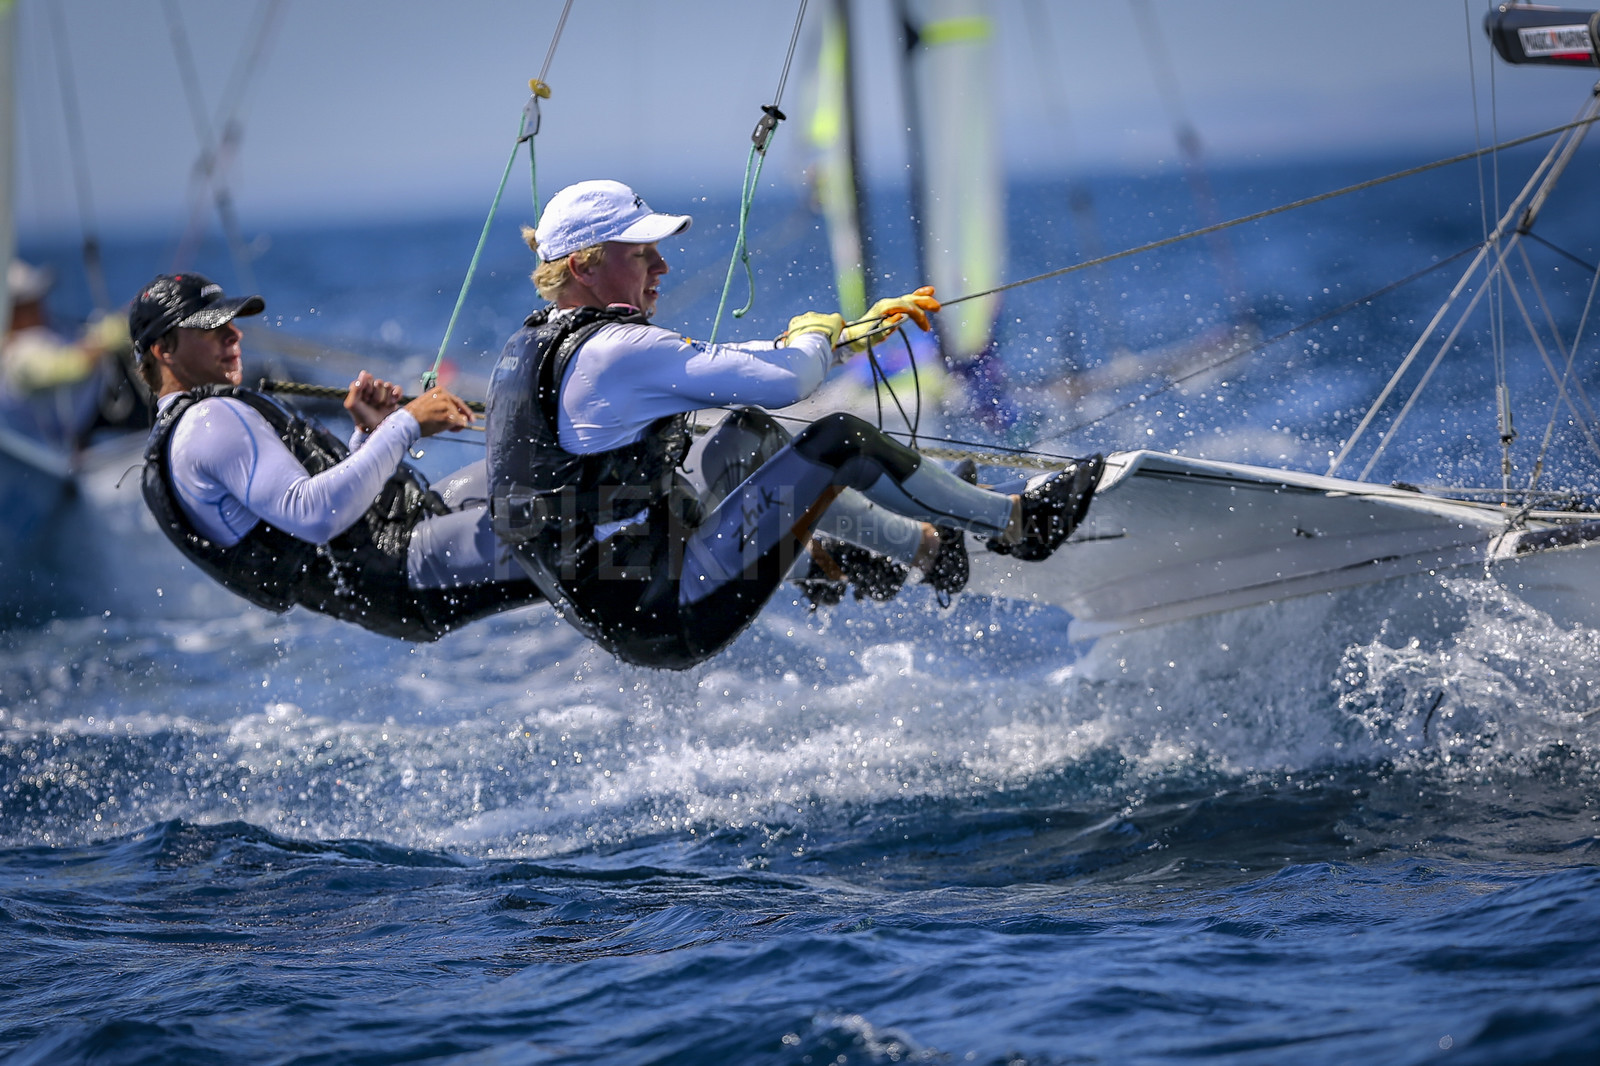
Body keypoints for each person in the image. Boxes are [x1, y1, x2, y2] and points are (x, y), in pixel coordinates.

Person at [485, 179, 1101, 670]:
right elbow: (786, 382)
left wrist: (844, 338)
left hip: (633, 604)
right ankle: (1019, 524)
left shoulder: (534, 346)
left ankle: (925, 549)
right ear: (585, 268)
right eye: (641, 254)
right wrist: (814, 335)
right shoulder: (614, 349)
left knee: (741, 438)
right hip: (668, 608)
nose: (662, 267)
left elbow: (726, 366)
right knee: (838, 441)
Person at [132, 272, 544, 640]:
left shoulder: (186, 432)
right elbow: (315, 515)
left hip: (403, 544)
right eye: (210, 328)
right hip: (407, 566)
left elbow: (314, 511)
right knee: (581, 528)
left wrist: (369, 434)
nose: (234, 335)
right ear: (163, 349)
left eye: (231, 322)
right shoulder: (206, 422)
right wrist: (408, 424)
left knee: (544, 473)